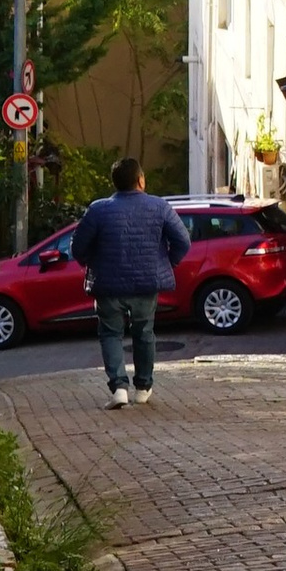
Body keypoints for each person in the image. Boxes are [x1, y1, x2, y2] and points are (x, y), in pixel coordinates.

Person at [71, 156, 191, 405]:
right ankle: (143, 388)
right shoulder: (160, 207)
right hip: (146, 283)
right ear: (141, 180)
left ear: (115, 183)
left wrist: (91, 262)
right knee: (144, 332)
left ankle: (119, 388)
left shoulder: (98, 210)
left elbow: (78, 247)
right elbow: (183, 241)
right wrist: (167, 263)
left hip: (107, 284)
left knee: (110, 334)